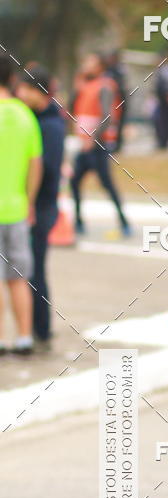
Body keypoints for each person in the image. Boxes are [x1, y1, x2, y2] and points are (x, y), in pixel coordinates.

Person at [17, 64, 65, 350]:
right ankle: (37, 328)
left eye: (25, 88)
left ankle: (42, 331)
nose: (20, 94)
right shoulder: (36, 118)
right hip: (34, 205)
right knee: (30, 269)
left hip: (42, 207)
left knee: (34, 270)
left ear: (39, 92)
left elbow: (46, 168)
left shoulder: (51, 124)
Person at [0, 52, 42, 356]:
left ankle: (1, 339)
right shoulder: (24, 115)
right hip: (16, 208)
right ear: (12, 80)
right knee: (19, 278)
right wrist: (29, 201)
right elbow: (35, 164)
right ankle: (25, 338)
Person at [70, 53, 130, 236]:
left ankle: (123, 222)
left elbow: (107, 116)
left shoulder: (105, 86)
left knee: (106, 184)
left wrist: (93, 139)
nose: (86, 65)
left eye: (90, 62)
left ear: (100, 67)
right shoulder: (84, 85)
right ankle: (78, 221)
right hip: (85, 145)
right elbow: (73, 108)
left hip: (98, 145)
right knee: (74, 182)